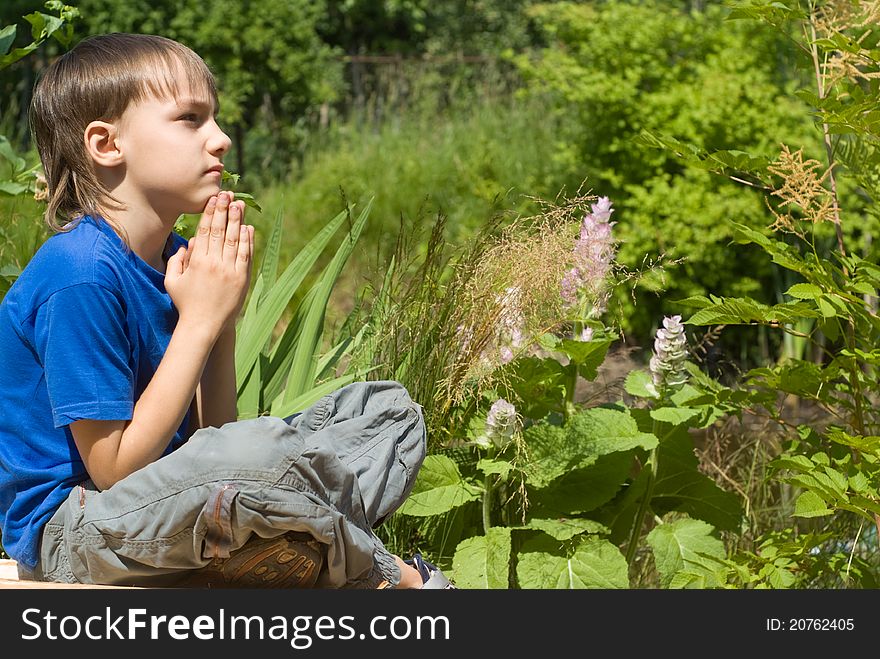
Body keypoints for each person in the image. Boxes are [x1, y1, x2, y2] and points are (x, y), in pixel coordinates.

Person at [0, 33, 451, 590]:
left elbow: (213, 437)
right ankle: (398, 581)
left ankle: (294, 533)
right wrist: (199, 322)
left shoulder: (174, 260)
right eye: (190, 119)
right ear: (106, 143)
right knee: (262, 456)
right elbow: (114, 473)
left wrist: (224, 322)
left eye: (214, 117)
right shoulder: (80, 274)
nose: (222, 139)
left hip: (173, 501)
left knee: (387, 415)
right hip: (77, 532)